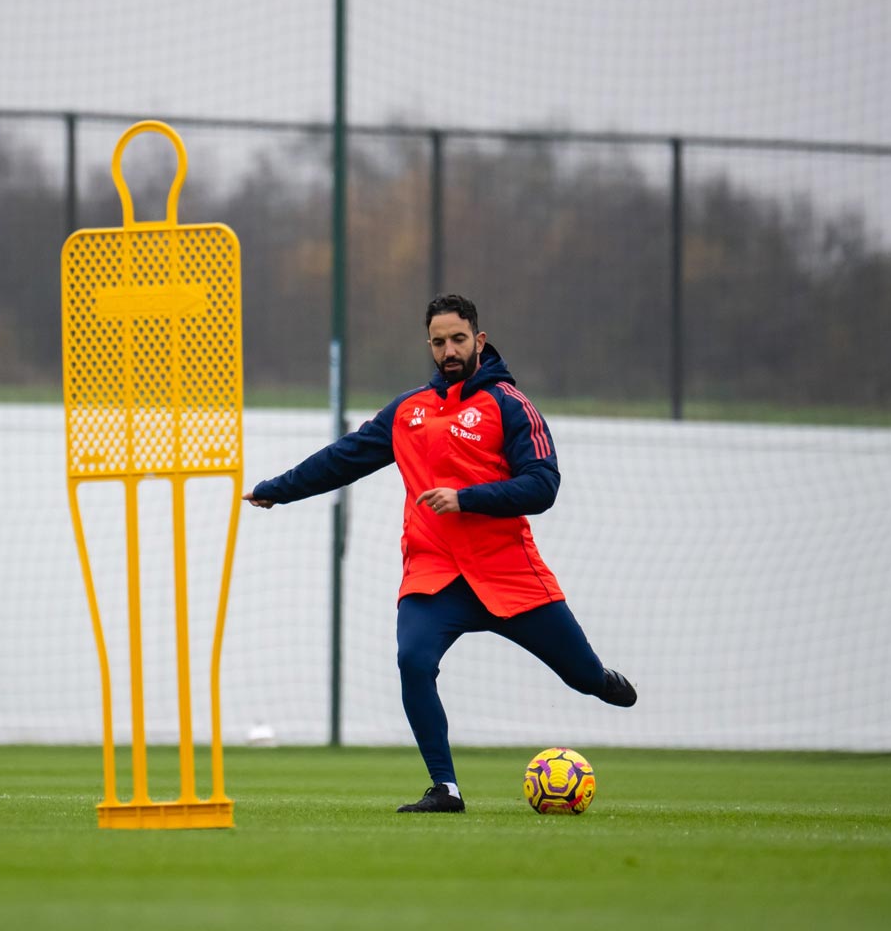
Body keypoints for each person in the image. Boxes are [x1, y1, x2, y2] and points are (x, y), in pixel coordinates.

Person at [243, 293, 634, 812]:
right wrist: (277, 489)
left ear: (480, 340)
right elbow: (344, 458)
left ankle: (598, 679)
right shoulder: (408, 410)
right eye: (438, 341)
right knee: (413, 660)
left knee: (582, 677)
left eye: (458, 339)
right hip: (433, 576)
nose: (449, 350)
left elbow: (543, 485)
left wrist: (466, 498)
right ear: (428, 344)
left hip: (508, 574)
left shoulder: (510, 405)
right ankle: (445, 788)